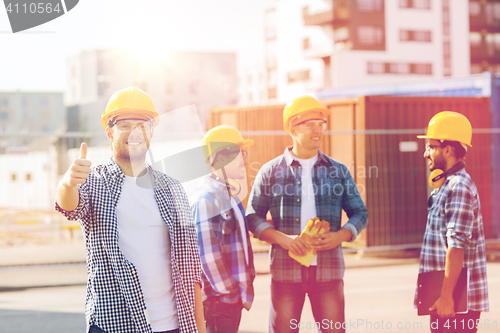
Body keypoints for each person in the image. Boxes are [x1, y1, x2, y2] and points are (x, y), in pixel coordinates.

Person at [54, 86, 205, 333]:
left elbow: (191, 268)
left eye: (143, 124)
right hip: (114, 324)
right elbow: (68, 205)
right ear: (109, 132)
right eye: (124, 125)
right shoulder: (94, 182)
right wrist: (68, 182)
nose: (134, 131)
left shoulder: (173, 189)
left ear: (151, 132)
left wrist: (200, 327)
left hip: (174, 325)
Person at [246, 96, 369, 333]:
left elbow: (360, 213)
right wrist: (285, 240)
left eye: (321, 123)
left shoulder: (338, 171)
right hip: (285, 273)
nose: (318, 129)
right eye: (310, 124)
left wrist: (340, 236)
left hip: (328, 272)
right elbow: (253, 217)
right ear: (292, 128)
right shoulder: (270, 172)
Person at [416, 111, 489, 332]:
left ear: (448, 149)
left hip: (455, 299)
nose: (425, 153)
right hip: (444, 294)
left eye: (431, 146)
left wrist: (447, 296)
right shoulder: (447, 185)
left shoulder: (458, 188)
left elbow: (457, 246)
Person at [189, 125, 256, 333]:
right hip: (219, 302)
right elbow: (208, 256)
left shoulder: (231, 195)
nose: (244, 160)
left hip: (229, 300)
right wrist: (230, 293)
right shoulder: (206, 199)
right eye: (239, 154)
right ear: (220, 158)